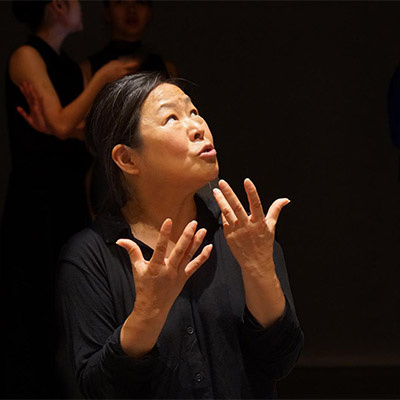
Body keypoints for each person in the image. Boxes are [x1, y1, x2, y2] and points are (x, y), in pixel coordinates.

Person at [57, 72, 304, 399]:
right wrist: (148, 313)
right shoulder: (89, 257)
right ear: (127, 158)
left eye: (194, 111)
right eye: (171, 118)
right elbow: (98, 390)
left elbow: (281, 360)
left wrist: (259, 268)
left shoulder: (240, 232)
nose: (198, 126)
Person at [0, 1, 137, 397]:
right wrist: (101, 79)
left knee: (70, 299)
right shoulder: (27, 55)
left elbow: (78, 130)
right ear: (57, 6)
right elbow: (62, 124)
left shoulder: (65, 65)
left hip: (67, 196)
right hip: (37, 201)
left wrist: (60, 126)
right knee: (35, 300)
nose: (81, 7)